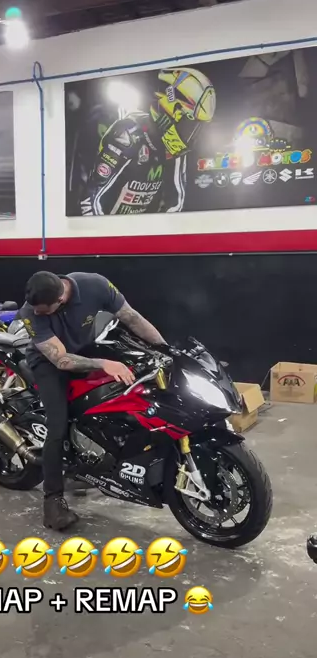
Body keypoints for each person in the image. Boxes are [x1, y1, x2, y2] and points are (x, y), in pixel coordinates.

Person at [20, 271, 166, 530]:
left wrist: (165, 349)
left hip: (85, 350)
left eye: (44, 310)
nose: (38, 313)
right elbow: (61, 360)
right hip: (49, 363)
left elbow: (131, 317)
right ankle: (53, 501)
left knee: (125, 394)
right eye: (37, 310)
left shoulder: (95, 285)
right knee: (57, 425)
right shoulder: (30, 311)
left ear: (61, 298)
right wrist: (104, 364)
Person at [80, 67, 216, 216]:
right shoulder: (128, 134)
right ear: (170, 111)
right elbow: (89, 200)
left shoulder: (176, 150)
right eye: (190, 125)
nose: (192, 136)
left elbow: (175, 205)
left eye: (198, 128)